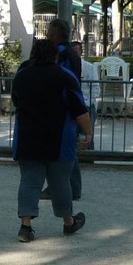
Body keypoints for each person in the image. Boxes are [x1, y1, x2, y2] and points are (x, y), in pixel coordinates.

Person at [11, 38, 92, 243]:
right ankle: (68, 222)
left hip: (27, 138)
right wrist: (88, 133)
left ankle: (26, 227)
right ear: (55, 55)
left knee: (29, 181)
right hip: (59, 139)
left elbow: (16, 102)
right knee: (60, 182)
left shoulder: (21, 76)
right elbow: (79, 110)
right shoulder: (65, 77)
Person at [39, 18, 84, 200]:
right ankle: (71, 187)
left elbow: (56, 78)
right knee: (67, 147)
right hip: (70, 104)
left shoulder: (60, 53)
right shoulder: (72, 53)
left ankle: (64, 187)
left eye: (49, 32)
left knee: (62, 149)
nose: (47, 35)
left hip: (61, 106)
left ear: (55, 35)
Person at [72, 41, 100, 150]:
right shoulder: (68, 66)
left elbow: (95, 88)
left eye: (76, 51)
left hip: (86, 104)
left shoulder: (89, 67)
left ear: (81, 52)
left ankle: (89, 160)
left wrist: (88, 102)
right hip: (73, 104)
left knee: (87, 135)